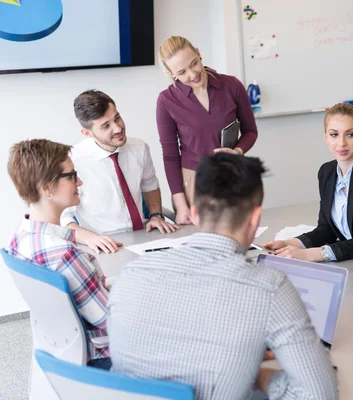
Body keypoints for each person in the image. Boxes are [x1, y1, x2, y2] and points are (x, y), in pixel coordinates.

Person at [108, 153, 338, 399]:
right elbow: (318, 394)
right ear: (255, 218)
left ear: (194, 214)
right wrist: (258, 376)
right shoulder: (270, 288)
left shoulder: (131, 273)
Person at [6, 139, 112, 369]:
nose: (79, 181)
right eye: (72, 175)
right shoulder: (64, 256)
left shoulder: (19, 240)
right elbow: (113, 320)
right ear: (47, 188)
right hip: (103, 354)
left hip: (62, 350)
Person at [264, 103, 353, 262]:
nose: (341, 143)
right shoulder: (327, 173)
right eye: (334, 134)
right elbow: (326, 230)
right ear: (326, 136)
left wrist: (307, 255)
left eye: (350, 134)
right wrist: (289, 244)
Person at [156, 35, 258, 225]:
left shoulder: (231, 86)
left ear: (198, 53)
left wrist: (237, 151)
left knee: (241, 240)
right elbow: (170, 155)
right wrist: (181, 205)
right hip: (195, 183)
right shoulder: (166, 101)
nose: (193, 74)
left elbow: (250, 131)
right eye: (182, 71)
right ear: (172, 74)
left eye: (194, 63)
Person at [61, 90, 178, 253]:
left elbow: (149, 185)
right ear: (87, 133)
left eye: (117, 118)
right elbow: (63, 216)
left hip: (145, 236)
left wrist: (155, 215)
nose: (118, 128)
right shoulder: (72, 162)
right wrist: (89, 238)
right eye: (106, 126)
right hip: (105, 244)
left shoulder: (139, 148)